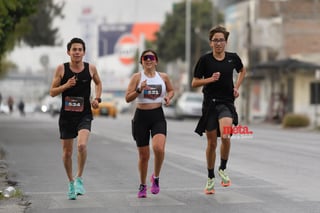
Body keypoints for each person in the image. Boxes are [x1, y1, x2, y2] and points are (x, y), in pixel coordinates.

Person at [191, 26, 246, 194]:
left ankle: (222, 167)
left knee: (227, 135)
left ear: (226, 42)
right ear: (210, 43)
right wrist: (209, 79)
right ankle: (210, 177)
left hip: (227, 103)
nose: (218, 43)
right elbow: (194, 82)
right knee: (212, 143)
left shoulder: (233, 58)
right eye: (215, 40)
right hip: (210, 105)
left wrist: (236, 87)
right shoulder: (205, 60)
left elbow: (242, 71)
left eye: (221, 40)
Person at [49, 37, 102, 200]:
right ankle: (71, 182)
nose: (77, 52)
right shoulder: (61, 69)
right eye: (74, 49)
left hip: (84, 114)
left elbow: (98, 83)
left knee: (81, 146)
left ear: (84, 52)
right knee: (67, 153)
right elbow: (52, 92)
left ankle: (79, 177)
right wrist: (66, 85)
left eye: (80, 49)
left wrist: (97, 99)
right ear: (69, 52)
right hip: (67, 116)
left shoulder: (91, 68)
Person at [125, 49, 174, 198]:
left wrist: (168, 98)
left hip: (157, 115)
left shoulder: (163, 77)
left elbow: (171, 90)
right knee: (144, 155)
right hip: (141, 117)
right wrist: (139, 89)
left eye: (151, 57)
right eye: (145, 58)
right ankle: (142, 185)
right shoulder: (137, 77)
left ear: (156, 61)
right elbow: (127, 98)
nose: (148, 60)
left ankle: (156, 178)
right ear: (142, 62)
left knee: (159, 148)